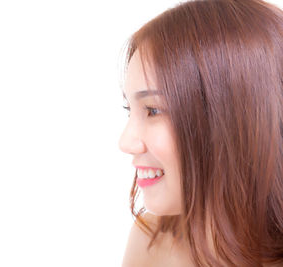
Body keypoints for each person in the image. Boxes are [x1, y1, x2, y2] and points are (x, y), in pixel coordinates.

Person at [118, 0, 283, 266]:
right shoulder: (149, 243)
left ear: (232, 117)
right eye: (130, 110)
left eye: (153, 110)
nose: (125, 142)